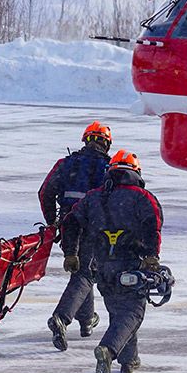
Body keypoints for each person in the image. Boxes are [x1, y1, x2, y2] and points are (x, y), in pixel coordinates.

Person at [63, 149, 163, 373]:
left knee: (119, 312)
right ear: (136, 172)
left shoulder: (93, 197)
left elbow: (70, 222)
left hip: (103, 266)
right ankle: (108, 349)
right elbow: (153, 225)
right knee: (133, 312)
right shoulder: (142, 197)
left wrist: (71, 253)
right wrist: (151, 256)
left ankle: (129, 361)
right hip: (131, 263)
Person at [40, 121, 112, 351]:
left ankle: (87, 320)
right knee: (85, 274)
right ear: (106, 144)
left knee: (82, 270)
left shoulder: (65, 164)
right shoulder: (110, 169)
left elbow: (45, 193)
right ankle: (62, 317)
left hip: (68, 225)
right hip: (95, 230)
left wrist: (52, 222)